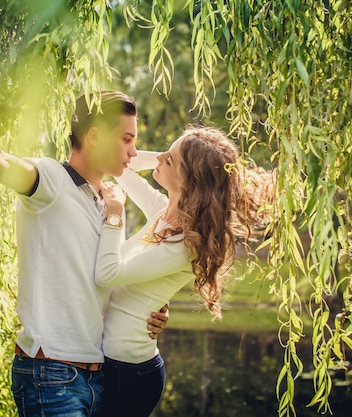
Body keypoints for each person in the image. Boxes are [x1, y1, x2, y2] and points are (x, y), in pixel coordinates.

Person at [0, 91, 169, 417]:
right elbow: (0, 161)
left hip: (99, 376)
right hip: (52, 377)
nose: (133, 152)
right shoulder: (51, 180)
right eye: (127, 139)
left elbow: (101, 281)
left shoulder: (106, 203)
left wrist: (149, 307)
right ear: (94, 137)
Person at [95, 125, 275, 417]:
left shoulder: (185, 243)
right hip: (112, 361)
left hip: (127, 373)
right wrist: (179, 153)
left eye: (170, 158)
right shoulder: (162, 211)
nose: (160, 157)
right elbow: (122, 169)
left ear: (188, 179)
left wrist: (115, 213)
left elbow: (107, 274)